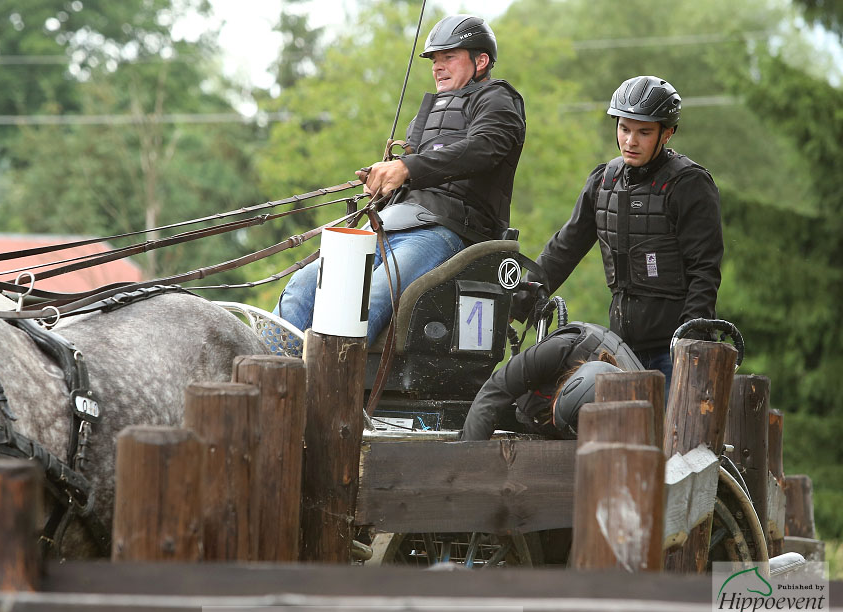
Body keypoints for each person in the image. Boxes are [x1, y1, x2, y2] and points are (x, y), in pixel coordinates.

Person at [274, 15, 526, 345]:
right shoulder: (426, 113)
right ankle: (276, 375)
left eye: (449, 57)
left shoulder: (498, 99)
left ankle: (330, 386)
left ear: (481, 61)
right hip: (392, 222)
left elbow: (483, 148)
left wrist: (406, 169)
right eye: (435, 60)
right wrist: (384, 180)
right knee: (304, 285)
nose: (438, 67)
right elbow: (411, 166)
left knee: (369, 298)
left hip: (449, 230)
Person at [513, 76, 723, 389]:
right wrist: (519, 298)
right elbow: (565, 248)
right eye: (624, 129)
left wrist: (690, 341)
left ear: (667, 132)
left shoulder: (690, 185)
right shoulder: (604, 181)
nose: (630, 141)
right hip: (618, 350)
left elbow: (704, 271)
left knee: (669, 438)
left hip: (673, 352)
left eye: (644, 132)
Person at [461, 321, 643, 441]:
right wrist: (470, 458)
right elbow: (495, 389)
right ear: (563, 385)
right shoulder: (557, 350)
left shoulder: (635, 402)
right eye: (556, 411)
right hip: (531, 414)